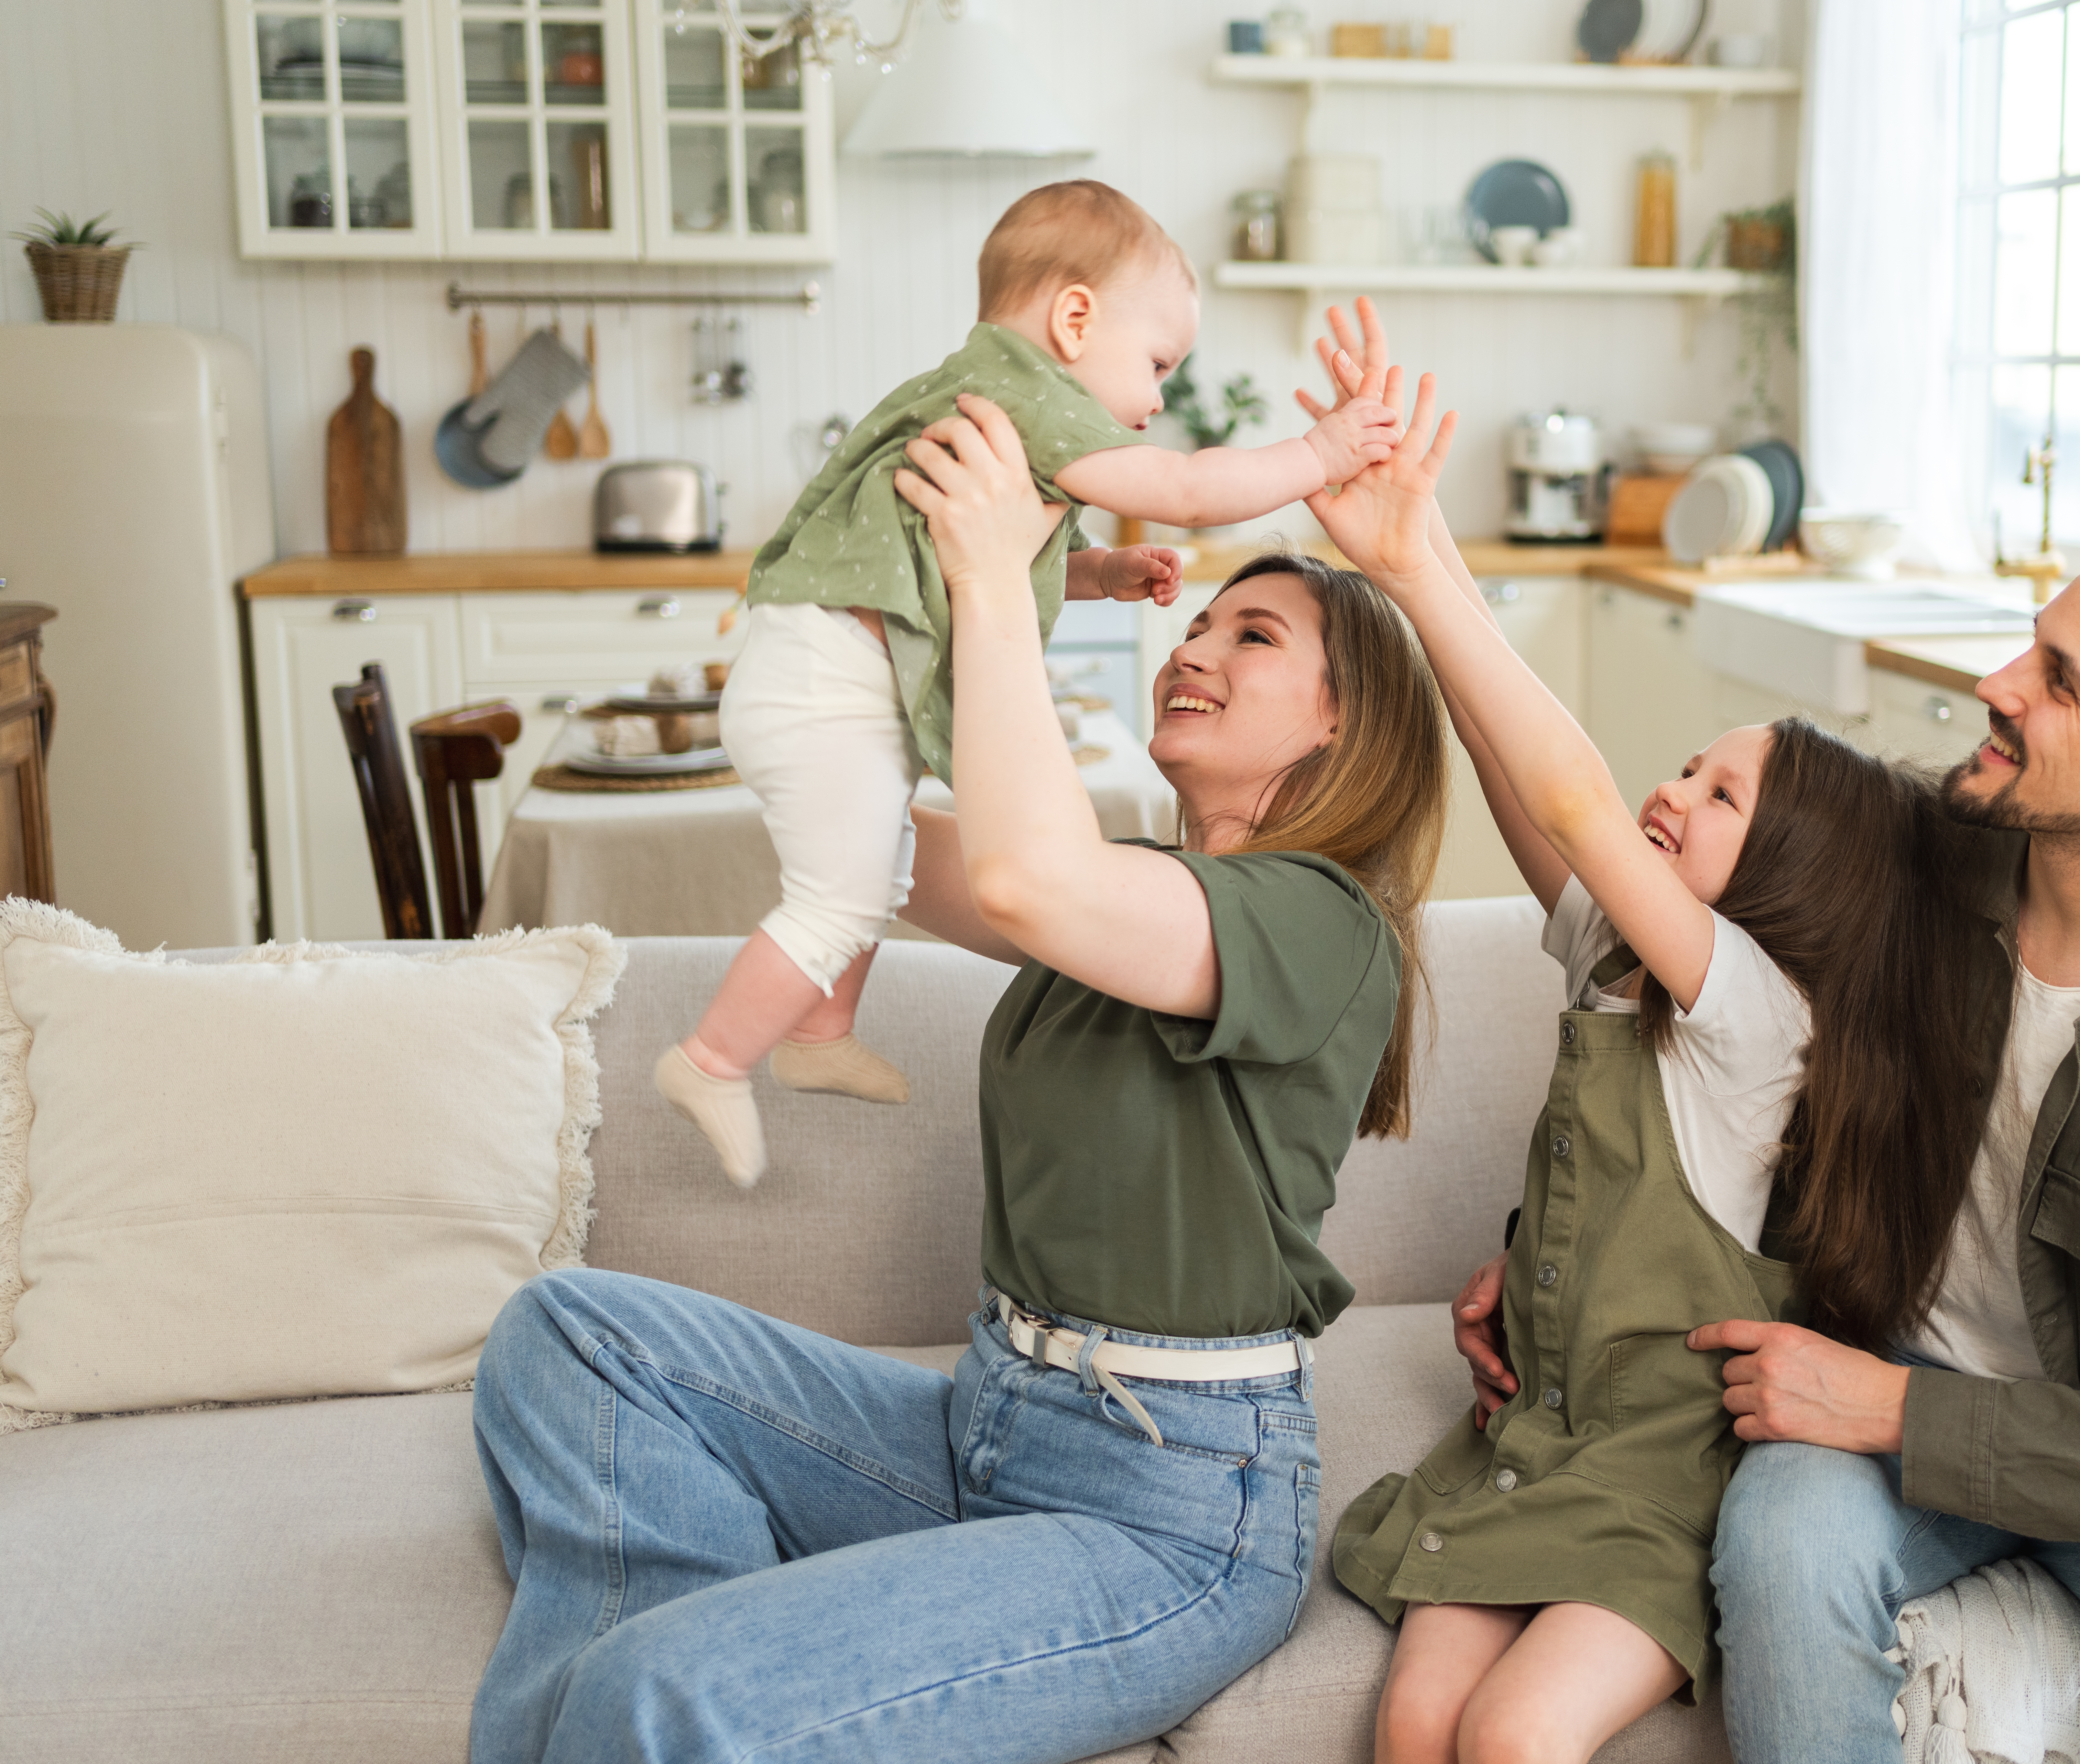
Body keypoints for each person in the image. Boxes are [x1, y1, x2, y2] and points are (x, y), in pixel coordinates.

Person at [465, 384, 1449, 1764]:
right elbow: (875, 838)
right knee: (566, 1335)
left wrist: (994, 578)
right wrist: (857, 616)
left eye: (1254, 631)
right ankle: (725, 1672)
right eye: (1198, 617)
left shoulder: (1321, 923)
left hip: (1169, 1509)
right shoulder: (1138, 889)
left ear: (1345, 724)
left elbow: (1020, 873)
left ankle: (684, 1693)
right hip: (989, 1423)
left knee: (658, 1693)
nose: (1193, 640)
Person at [1447, 530, 2080, 1762]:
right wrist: (1550, 1261)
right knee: (1784, 1549)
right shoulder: (1926, 850)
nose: (1996, 684)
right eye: (2031, 644)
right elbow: (1666, 975)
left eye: (2059, 679)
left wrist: (1899, 1410)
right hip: (1886, 1387)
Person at [1298, 323, 1998, 1761]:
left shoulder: (1754, 1015)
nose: (1669, 793)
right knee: (1416, 1713)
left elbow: (1571, 802)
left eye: (1717, 791)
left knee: (1509, 1736)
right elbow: (1521, 790)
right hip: (1537, 1439)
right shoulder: (1620, 965)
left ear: (1797, 873)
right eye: (1684, 766)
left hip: (1663, 1480)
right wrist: (1413, 583)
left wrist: (1422, 560)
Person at [658, 178, 1402, 1187]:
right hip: (829, 679)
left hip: (818, 673)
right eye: (1156, 366)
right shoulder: (1028, 394)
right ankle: (712, 1061)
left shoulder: (989, 392)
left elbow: (1015, 560)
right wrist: (1321, 451)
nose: (1155, 402)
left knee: (864, 873)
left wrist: (1093, 574)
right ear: (1075, 319)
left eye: (1253, 637)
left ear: (1342, 720)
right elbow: (1185, 492)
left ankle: (818, 1033)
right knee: (839, 893)